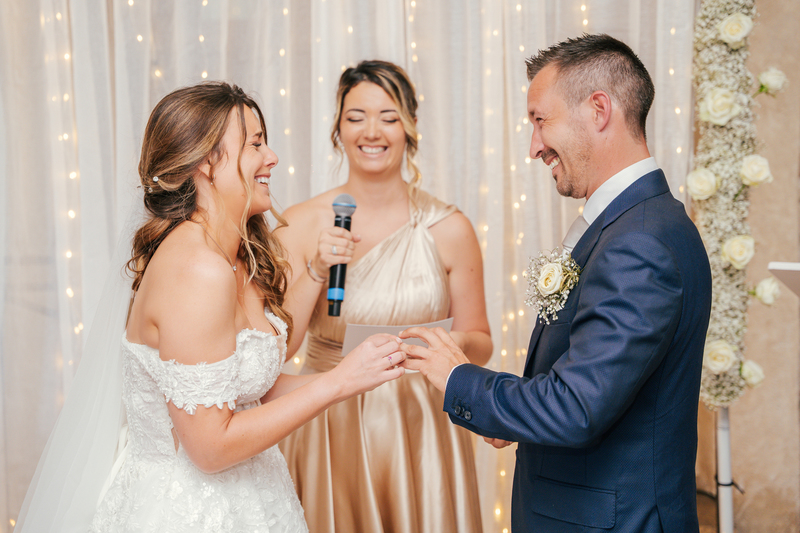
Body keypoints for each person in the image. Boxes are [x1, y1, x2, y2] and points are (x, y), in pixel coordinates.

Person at [14, 82, 406, 533]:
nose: (272, 157)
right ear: (205, 162)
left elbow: (248, 389)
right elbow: (210, 449)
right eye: (255, 144)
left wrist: (359, 372)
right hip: (186, 514)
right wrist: (337, 383)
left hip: (255, 499)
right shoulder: (197, 270)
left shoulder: (237, 257)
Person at [401, 34, 713, 532]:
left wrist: (459, 378)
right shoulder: (637, 223)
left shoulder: (639, 242)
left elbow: (576, 407)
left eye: (540, 120)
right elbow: (593, 380)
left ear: (598, 110)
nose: (534, 148)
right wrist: (511, 411)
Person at [277, 60, 492, 533]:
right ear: (338, 127)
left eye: (388, 117)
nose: (371, 132)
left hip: (421, 423)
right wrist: (315, 270)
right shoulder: (301, 222)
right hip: (328, 417)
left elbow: (480, 340)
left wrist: (436, 346)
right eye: (356, 117)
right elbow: (277, 350)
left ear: (410, 127)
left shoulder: (449, 227)